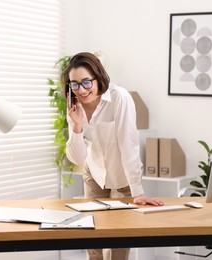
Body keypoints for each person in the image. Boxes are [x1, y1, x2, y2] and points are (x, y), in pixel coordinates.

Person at [63, 52, 164, 260]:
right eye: (74, 84)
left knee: (117, 243)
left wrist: (138, 190)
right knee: (92, 241)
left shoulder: (120, 98)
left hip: (122, 179)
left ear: (98, 77)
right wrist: (77, 127)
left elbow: (129, 146)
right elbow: (77, 158)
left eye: (86, 82)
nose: (81, 90)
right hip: (94, 175)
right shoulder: (74, 107)